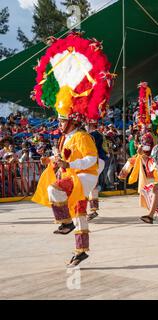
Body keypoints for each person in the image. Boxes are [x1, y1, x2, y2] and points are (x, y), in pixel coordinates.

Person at [32, 112, 99, 267]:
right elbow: (62, 159)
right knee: (79, 214)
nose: (59, 125)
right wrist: (49, 160)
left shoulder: (82, 136)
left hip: (84, 176)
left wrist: (70, 165)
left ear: (72, 123)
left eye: (62, 122)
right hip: (73, 176)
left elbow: (91, 159)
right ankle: (80, 251)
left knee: (54, 189)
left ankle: (66, 223)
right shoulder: (65, 139)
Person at [85, 119, 109, 221]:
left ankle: (88, 210)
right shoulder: (97, 134)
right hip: (100, 160)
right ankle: (93, 210)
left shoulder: (93, 135)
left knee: (86, 185)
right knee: (92, 184)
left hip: (96, 160)